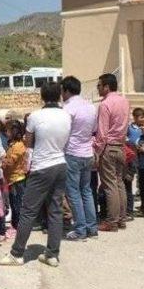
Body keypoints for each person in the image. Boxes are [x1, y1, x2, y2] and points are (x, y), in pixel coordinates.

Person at [0, 82, 71, 267]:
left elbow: (29, 144)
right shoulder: (66, 115)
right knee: (56, 211)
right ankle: (52, 253)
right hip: (60, 164)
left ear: (42, 96)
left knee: (28, 211)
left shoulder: (36, 116)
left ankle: (17, 253)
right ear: (59, 95)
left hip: (41, 166)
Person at [60, 76, 98, 241]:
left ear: (66, 90)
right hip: (87, 152)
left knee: (73, 193)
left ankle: (80, 229)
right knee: (86, 191)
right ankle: (92, 227)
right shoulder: (90, 106)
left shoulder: (67, 108)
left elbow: (63, 132)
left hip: (72, 153)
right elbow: (94, 129)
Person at [93, 73, 130, 232]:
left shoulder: (105, 104)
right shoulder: (124, 101)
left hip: (108, 147)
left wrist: (97, 151)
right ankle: (121, 218)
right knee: (119, 182)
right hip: (121, 146)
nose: (98, 88)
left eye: (99, 85)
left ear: (106, 86)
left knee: (109, 185)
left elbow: (102, 133)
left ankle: (112, 221)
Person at [1, 120, 28, 235]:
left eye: (7, 130)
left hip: (17, 179)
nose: (6, 132)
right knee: (13, 203)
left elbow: (10, 161)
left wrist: (3, 162)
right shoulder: (12, 144)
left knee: (17, 204)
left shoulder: (18, 146)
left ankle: (18, 227)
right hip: (11, 179)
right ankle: (15, 225)